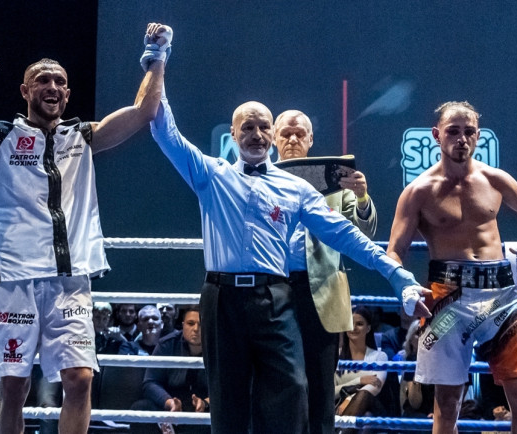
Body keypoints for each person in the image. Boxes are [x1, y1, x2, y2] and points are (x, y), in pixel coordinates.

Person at [150, 61, 425, 431]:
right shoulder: (210, 174)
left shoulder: (296, 189)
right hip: (222, 299)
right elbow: (164, 130)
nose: (257, 134)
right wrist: (157, 61)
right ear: (232, 134)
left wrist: (398, 275)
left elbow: (345, 234)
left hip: (274, 300)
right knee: (229, 402)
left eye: (264, 126)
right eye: (248, 127)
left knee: (293, 389)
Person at [0, 22, 170, 434]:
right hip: (14, 281)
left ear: (68, 93)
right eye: (42, 80)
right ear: (25, 91)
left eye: (60, 81)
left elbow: (144, 111)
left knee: (79, 380)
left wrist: (158, 56)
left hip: (69, 281)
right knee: (15, 388)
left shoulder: (82, 136)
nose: (52, 87)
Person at [386, 101, 517, 434]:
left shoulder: (495, 180)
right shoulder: (418, 192)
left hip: (501, 295)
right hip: (446, 296)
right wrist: (403, 284)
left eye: (468, 132)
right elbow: (395, 250)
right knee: (448, 403)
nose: (461, 139)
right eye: (453, 131)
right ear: (437, 136)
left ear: (478, 137)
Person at [274, 109, 377, 434]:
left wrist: (361, 197)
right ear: (275, 137)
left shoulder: (336, 186)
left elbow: (366, 231)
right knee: (274, 383)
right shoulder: (257, 179)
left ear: (311, 139)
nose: (292, 139)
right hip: (272, 288)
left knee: (320, 387)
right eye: (286, 133)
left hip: (322, 292)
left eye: (299, 134)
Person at [131, 306, 209, 434]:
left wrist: (206, 403)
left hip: (203, 406)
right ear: (183, 325)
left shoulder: (218, 346)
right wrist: (169, 402)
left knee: (225, 411)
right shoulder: (167, 344)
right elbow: (150, 382)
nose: (196, 329)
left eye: (201, 324)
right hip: (171, 401)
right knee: (140, 408)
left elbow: (226, 386)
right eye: (191, 323)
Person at [334, 306, 388, 433]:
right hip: (337, 407)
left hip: (372, 405)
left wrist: (349, 399)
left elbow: (374, 387)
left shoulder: (379, 356)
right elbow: (330, 391)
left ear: (368, 328)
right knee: (366, 420)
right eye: (350, 324)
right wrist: (359, 380)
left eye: (359, 324)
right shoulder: (336, 356)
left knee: (366, 400)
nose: (354, 328)